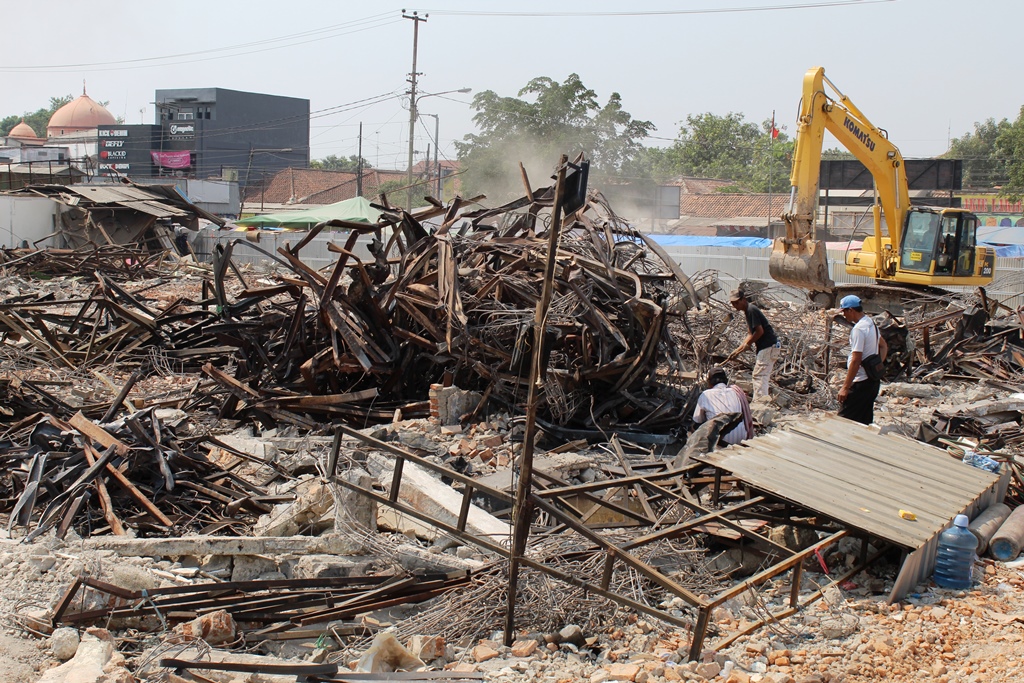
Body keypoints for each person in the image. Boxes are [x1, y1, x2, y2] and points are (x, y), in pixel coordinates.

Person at [837, 294, 888, 425]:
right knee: (863, 423)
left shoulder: (859, 329)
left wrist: (845, 387)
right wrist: (876, 367)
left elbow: (856, 359)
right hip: (872, 382)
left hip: (860, 384)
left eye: (844, 311)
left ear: (851, 310)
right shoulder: (871, 323)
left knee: (843, 422)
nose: (844, 315)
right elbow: (883, 346)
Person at [728, 288, 780, 404]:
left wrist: (748, 344)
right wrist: (739, 349)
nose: (735, 306)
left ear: (743, 299)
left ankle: (760, 405)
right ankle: (762, 403)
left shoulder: (751, 310)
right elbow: (750, 333)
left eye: (737, 302)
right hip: (768, 346)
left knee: (759, 375)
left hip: (768, 346)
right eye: (733, 304)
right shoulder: (747, 311)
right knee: (762, 375)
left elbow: (759, 331)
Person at [692, 367, 752, 445]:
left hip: (721, 440)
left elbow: (698, 420)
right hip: (741, 438)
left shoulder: (705, 395)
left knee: (694, 428)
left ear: (709, 382)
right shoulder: (736, 392)